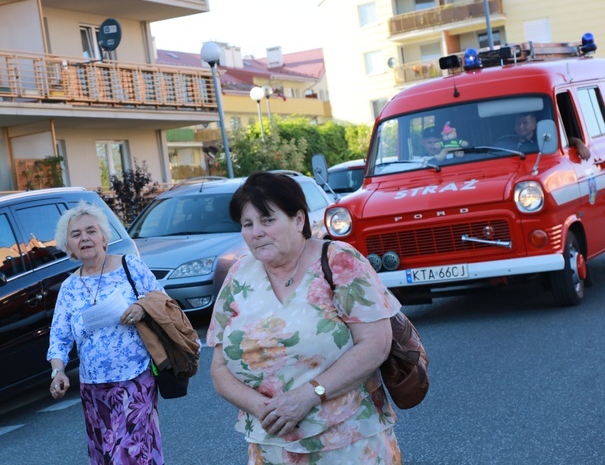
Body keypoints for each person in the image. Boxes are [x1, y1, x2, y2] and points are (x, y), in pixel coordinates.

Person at [207, 171, 403, 464]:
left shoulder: (339, 261)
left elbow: (376, 345)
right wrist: (263, 409)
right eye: (247, 224)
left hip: (347, 441)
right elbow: (219, 368)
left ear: (298, 220)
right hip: (271, 443)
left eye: (267, 220)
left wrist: (309, 395)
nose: (256, 232)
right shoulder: (238, 274)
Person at [47, 201, 165, 464]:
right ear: (68, 246)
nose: (84, 238)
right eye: (76, 234)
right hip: (93, 387)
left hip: (136, 378)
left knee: (133, 450)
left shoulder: (129, 266)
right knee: (105, 452)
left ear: (103, 237)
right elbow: (59, 338)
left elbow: (163, 300)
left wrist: (140, 307)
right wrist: (58, 372)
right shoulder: (68, 288)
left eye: (91, 231)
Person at [497, 112, 591, 159]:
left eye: (525, 123)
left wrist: (579, 144)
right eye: (517, 123)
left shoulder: (544, 137)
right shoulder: (506, 140)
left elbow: (564, 141)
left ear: (534, 125)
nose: (520, 126)